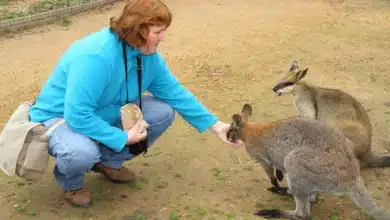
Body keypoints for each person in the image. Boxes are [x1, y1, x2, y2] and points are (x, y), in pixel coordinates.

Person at [29, 0, 240, 208]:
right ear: (137, 31)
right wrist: (121, 137)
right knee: (80, 153)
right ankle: (72, 184)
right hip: (60, 117)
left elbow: (175, 92)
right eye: (158, 32)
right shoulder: (95, 56)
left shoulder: (146, 54)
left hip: (103, 111)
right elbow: (77, 115)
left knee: (162, 112)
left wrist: (215, 125)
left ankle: (106, 162)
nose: (163, 38)